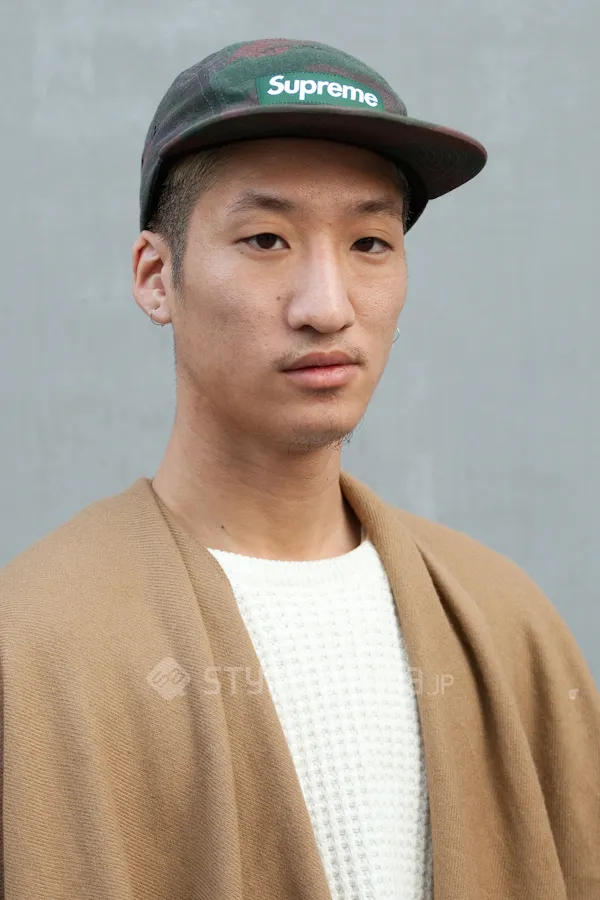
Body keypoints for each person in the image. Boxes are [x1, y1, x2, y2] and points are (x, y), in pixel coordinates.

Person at [0, 37, 598, 900]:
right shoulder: (35, 648)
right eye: (266, 239)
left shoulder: (507, 623)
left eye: (370, 243)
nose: (327, 306)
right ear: (156, 276)